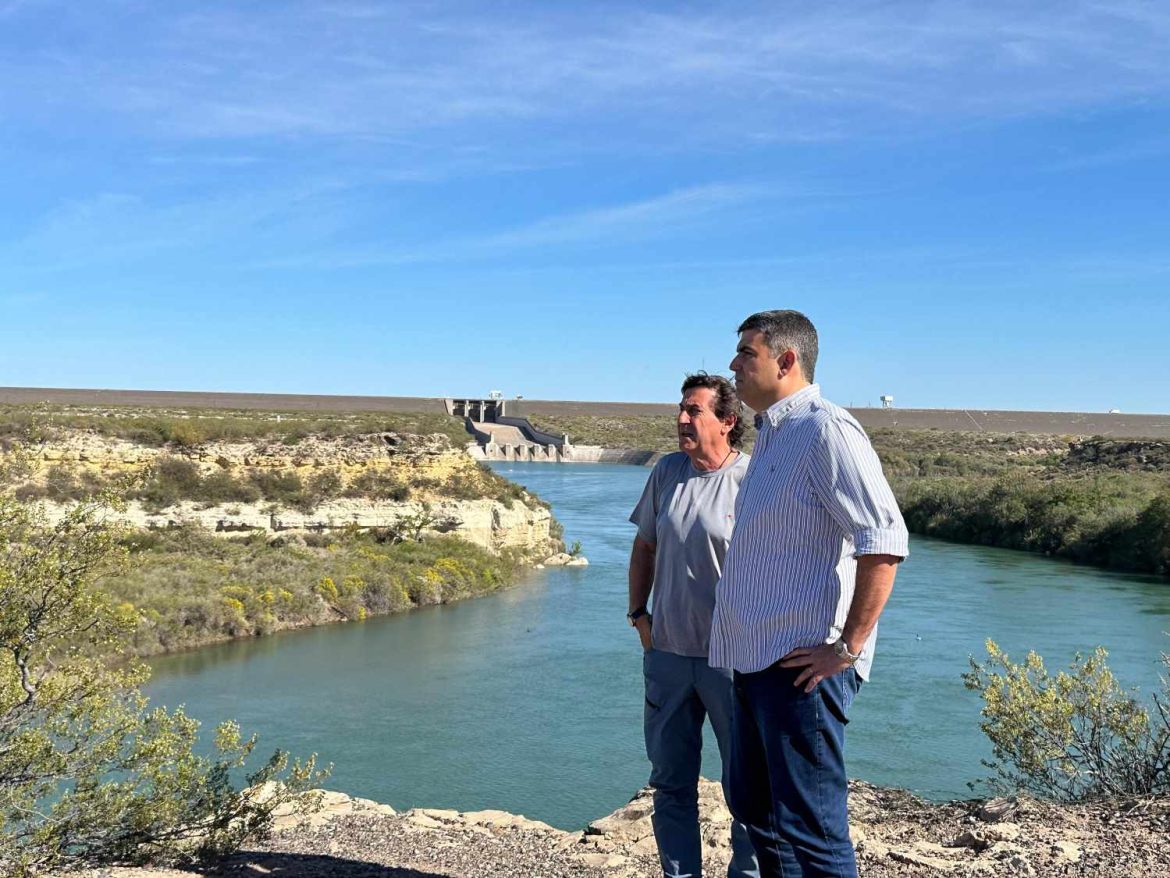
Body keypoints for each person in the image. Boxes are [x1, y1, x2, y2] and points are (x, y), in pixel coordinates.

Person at [709, 310, 909, 878]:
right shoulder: (774, 434)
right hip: (755, 661)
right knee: (757, 810)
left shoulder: (826, 429)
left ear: (786, 360)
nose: (734, 364)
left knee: (812, 826)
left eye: (747, 353)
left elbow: (884, 540)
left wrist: (846, 648)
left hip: (803, 668)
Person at [628, 372, 760, 878]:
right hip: (667, 654)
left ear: (727, 421)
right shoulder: (666, 472)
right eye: (680, 409)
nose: (682, 419)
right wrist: (640, 616)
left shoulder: (753, 478)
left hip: (735, 661)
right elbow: (644, 547)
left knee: (747, 785)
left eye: (694, 410)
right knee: (670, 783)